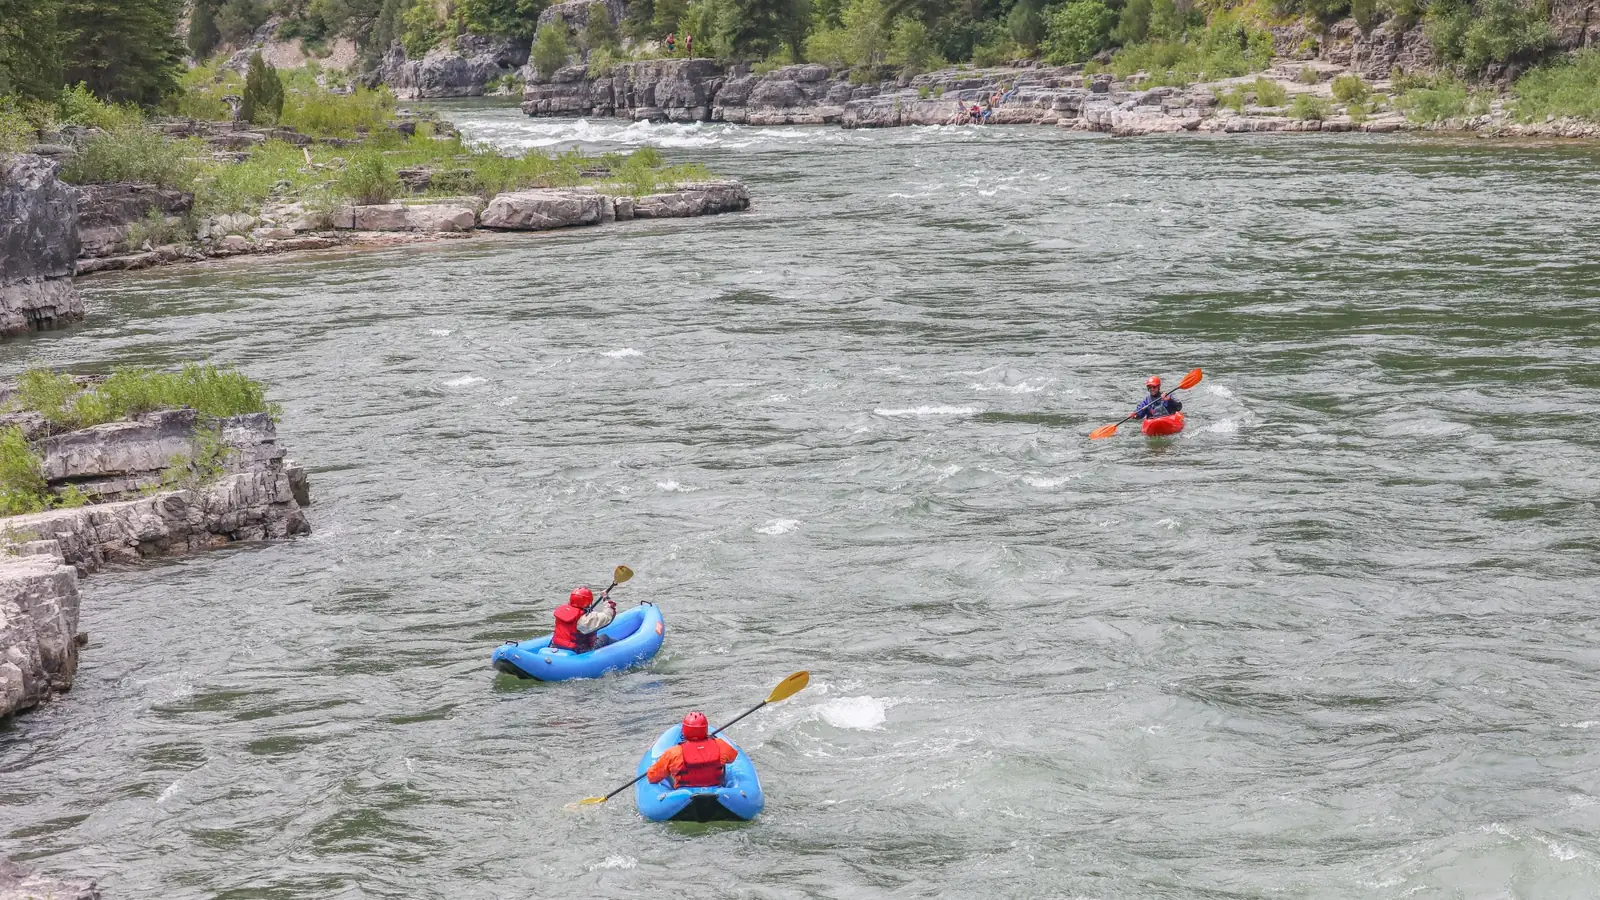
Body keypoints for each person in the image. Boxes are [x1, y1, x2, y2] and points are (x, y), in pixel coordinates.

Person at [645, 711, 740, 788]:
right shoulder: (720, 744)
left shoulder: (674, 752)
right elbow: (732, 758)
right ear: (705, 729)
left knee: (669, 770)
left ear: (685, 730)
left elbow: (652, 777)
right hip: (714, 787)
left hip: (684, 791)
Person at [550, 586, 616, 653]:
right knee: (605, 637)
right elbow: (608, 616)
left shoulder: (563, 611)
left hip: (557, 646)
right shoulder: (585, 619)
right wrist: (606, 598)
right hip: (578, 651)